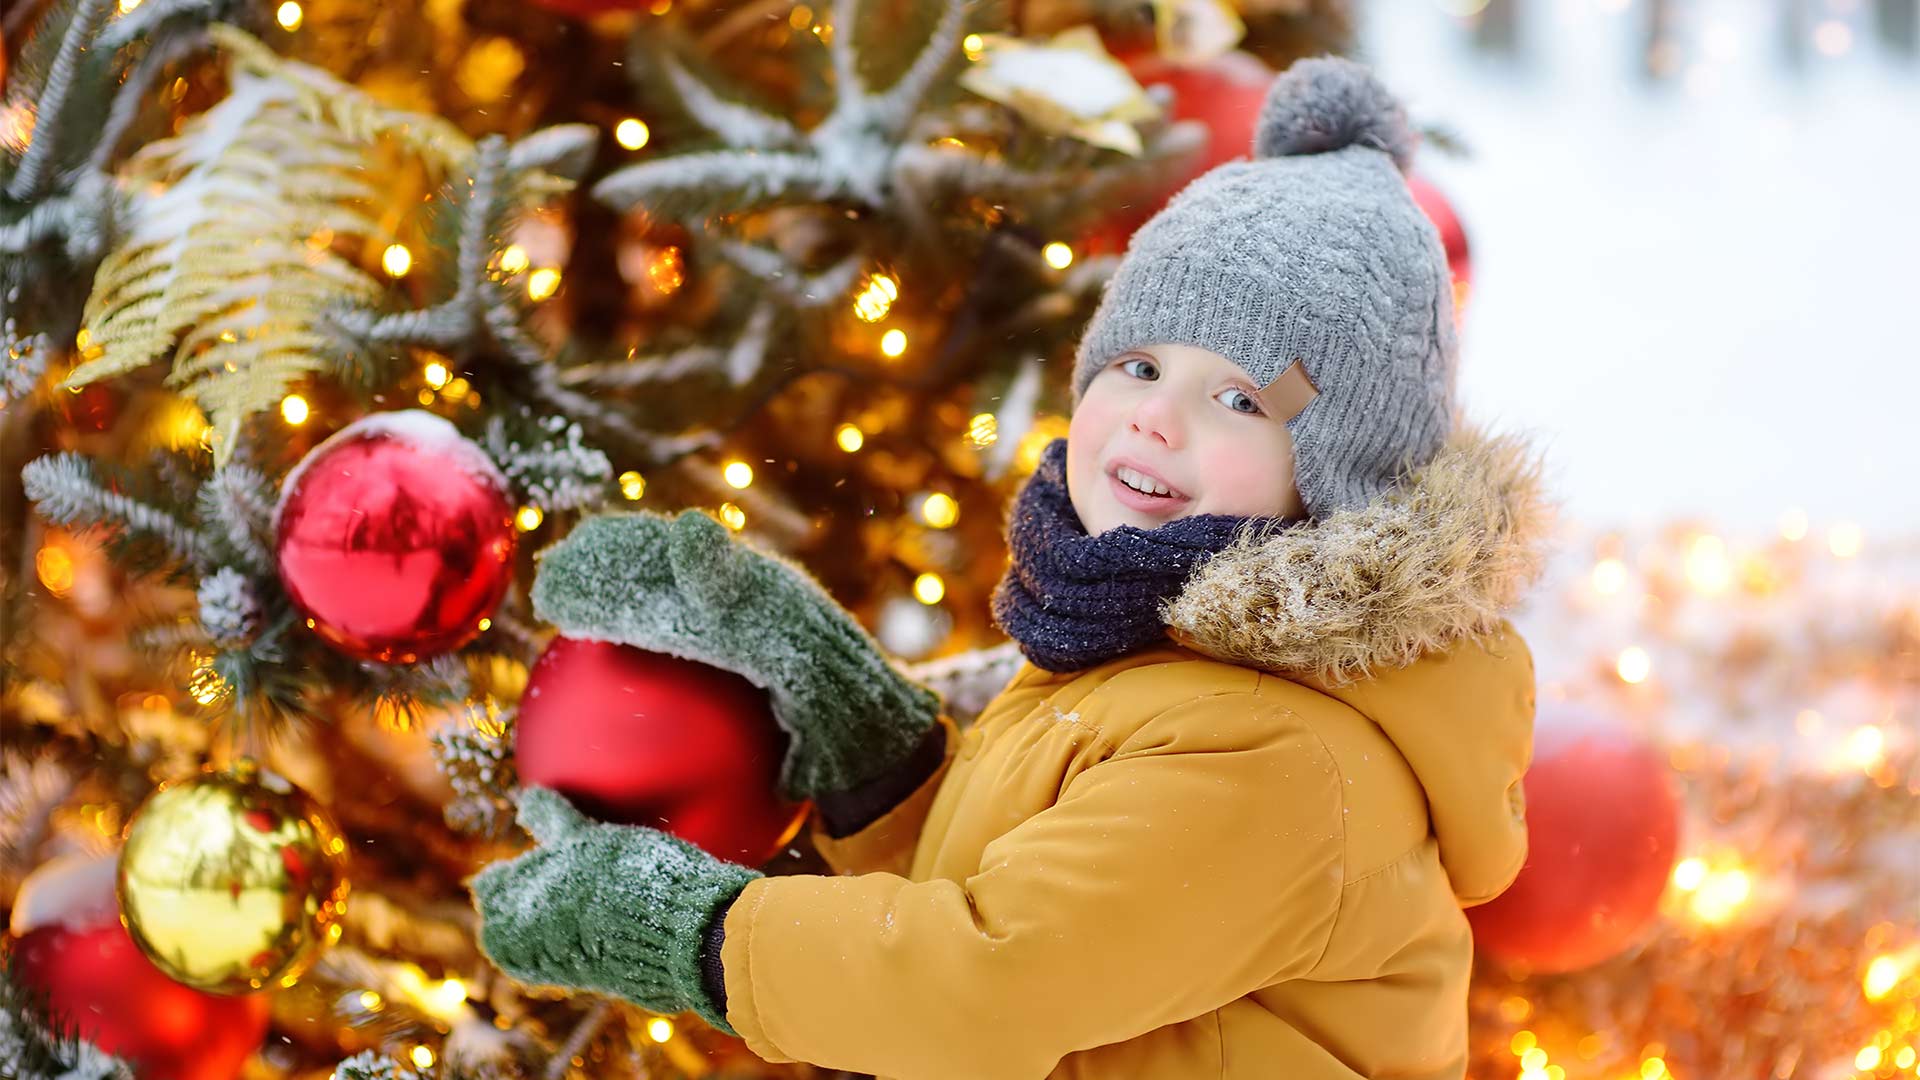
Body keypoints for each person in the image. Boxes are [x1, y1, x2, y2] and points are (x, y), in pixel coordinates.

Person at [472, 55, 1557, 1079]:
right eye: (1139, 365)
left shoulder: (1280, 755)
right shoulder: (1148, 644)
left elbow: (990, 981)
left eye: (1241, 398)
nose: (1157, 419)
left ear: (1338, 476)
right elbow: (1026, 881)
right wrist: (868, 741)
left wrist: (692, 935)